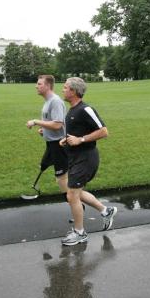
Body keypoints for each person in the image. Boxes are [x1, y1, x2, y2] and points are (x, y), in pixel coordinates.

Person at [59, 77, 117, 246]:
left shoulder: (86, 109)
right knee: (75, 192)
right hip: (76, 158)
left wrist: (81, 139)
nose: (62, 90)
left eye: (65, 87)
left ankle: (80, 233)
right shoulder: (72, 110)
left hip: (86, 158)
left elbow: (104, 131)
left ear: (74, 91)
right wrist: (67, 140)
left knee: (72, 195)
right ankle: (105, 211)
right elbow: (76, 134)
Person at [26, 75, 68, 194]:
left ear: (48, 86)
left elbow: (57, 125)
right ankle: (75, 203)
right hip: (51, 143)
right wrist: (44, 129)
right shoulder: (48, 101)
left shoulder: (55, 101)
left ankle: (76, 204)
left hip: (59, 144)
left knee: (62, 179)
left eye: (39, 84)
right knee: (44, 165)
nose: (36, 86)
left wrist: (36, 121)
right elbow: (52, 123)